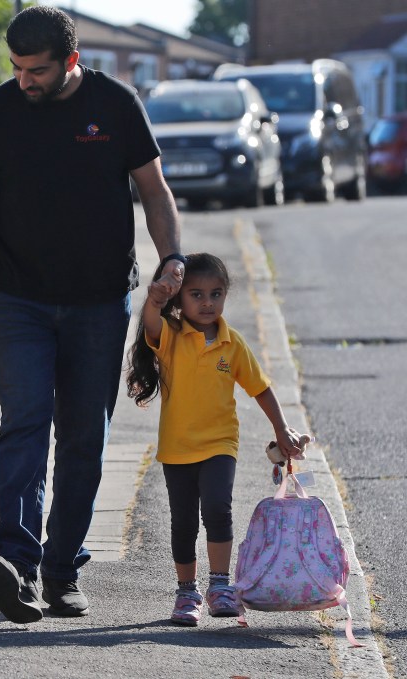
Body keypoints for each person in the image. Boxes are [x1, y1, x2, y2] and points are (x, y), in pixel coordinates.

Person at [0, 5, 184, 624]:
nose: (24, 80)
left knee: (84, 438)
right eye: (16, 68)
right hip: (18, 300)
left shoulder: (117, 106)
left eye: (36, 70)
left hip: (98, 301)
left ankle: (63, 569)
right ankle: (16, 561)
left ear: (71, 60)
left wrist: (172, 257)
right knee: (25, 425)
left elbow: (154, 190)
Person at [125, 252, 308, 626]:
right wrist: (156, 299)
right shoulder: (172, 336)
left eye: (216, 293)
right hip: (177, 448)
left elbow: (260, 388)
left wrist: (281, 427)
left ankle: (220, 586)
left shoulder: (232, 343)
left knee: (218, 511)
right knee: (183, 521)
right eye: (197, 294)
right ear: (180, 297)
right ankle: (186, 591)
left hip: (220, 444)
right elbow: (150, 323)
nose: (207, 303)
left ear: (225, 296)